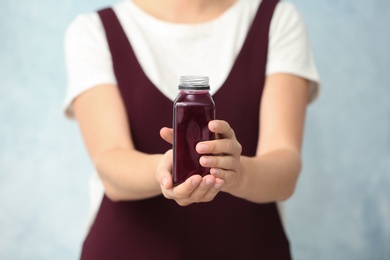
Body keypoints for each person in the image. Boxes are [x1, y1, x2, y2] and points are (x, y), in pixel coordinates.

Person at [64, 0, 319, 259]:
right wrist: (164, 170)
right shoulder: (92, 31)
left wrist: (237, 172)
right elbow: (110, 164)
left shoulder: (277, 19)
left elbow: (284, 165)